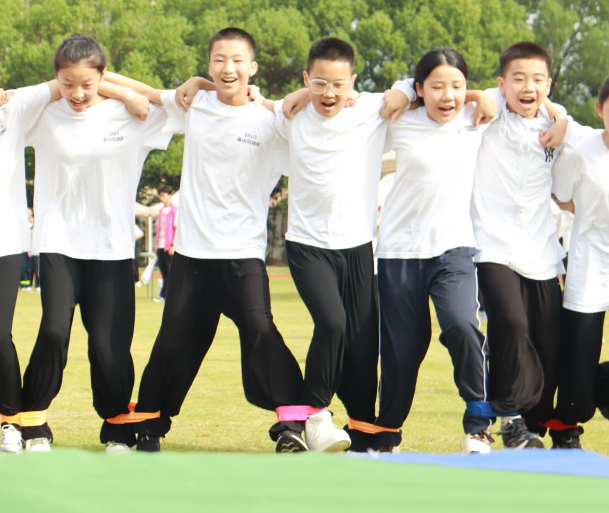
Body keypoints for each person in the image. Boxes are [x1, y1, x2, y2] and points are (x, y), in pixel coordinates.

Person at [0, 40, 147, 454]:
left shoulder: (16, 107)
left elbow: (80, 80)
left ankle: (28, 420)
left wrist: (128, 93)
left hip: (20, 243)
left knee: (5, 337)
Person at [103, 27, 307, 453]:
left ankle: (293, 421)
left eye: (237, 61)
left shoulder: (272, 121)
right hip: (193, 254)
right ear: (209, 64)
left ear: (253, 67)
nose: (228, 68)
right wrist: (99, 81)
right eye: (219, 60)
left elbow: (319, 111)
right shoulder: (194, 104)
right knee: (174, 340)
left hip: (243, 253)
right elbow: (124, 85)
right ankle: (149, 425)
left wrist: (271, 101)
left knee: (260, 329)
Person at [17, 33, 168, 453]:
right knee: (53, 332)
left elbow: (174, 103)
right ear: (55, 80)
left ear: (103, 76)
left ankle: (117, 426)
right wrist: (103, 87)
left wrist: (124, 93)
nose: (77, 93)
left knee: (107, 345)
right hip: (58, 243)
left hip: (112, 247)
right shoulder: (44, 115)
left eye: (88, 83)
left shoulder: (132, 114)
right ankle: (32, 424)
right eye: (67, 84)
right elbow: (6, 100)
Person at [272, 37, 410, 452]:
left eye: (338, 84)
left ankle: (364, 431)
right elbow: (249, 100)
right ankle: (315, 417)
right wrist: (295, 96)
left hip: (357, 247)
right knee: (332, 322)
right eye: (318, 83)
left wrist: (403, 90)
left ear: (353, 81)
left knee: (363, 346)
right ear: (305, 79)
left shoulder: (370, 109)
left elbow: (418, 85)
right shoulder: (290, 116)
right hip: (307, 245)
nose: (329, 93)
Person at [371, 47, 503, 454]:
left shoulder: (475, 116)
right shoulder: (400, 120)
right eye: (437, 87)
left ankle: (478, 425)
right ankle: (388, 433)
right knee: (401, 350)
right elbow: (365, 104)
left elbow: (513, 96)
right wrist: (399, 90)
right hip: (398, 252)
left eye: (457, 86)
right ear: (420, 89)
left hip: (453, 249)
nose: (448, 96)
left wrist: (477, 96)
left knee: (463, 326)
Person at [469, 42, 569, 449]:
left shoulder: (557, 123)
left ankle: (534, 425)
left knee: (548, 341)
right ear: (502, 83)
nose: (528, 87)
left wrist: (562, 118)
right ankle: (509, 417)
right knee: (511, 324)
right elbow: (459, 93)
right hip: (491, 245)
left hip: (541, 250)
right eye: (518, 79)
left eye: (537, 79)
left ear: (549, 84)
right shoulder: (490, 109)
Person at [548, 75, 609, 449]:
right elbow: (561, 194)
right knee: (578, 359)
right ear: (600, 109)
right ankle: (565, 427)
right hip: (590, 261)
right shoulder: (584, 148)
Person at [152, 185, 177, 302]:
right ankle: (164, 294)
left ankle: (170, 294)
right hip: (161, 246)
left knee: (171, 271)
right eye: (160, 196)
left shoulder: (174, 211)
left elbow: (176, 229)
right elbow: (158, 230)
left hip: (169, 246)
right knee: (163, 271)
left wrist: (173, 245)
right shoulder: (161, 211)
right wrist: (156, 245)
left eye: (163, 195)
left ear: (170, 195)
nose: (161, 198)